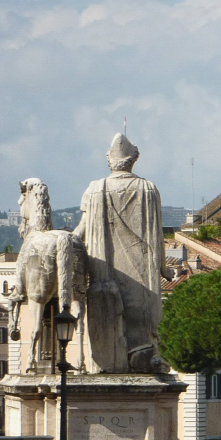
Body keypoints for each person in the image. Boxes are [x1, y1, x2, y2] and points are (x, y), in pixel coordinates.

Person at [73, 133, 170, 372]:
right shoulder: (148, 189)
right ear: (134, 159)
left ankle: (105, 362)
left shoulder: (95, 190)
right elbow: (158, 235)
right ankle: (146, 357)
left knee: (107, 320)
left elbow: (81, 231)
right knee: (142, 326)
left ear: (109, 160)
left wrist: (64, 245)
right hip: (142, 274)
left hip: (104, 273)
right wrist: (163, 268)